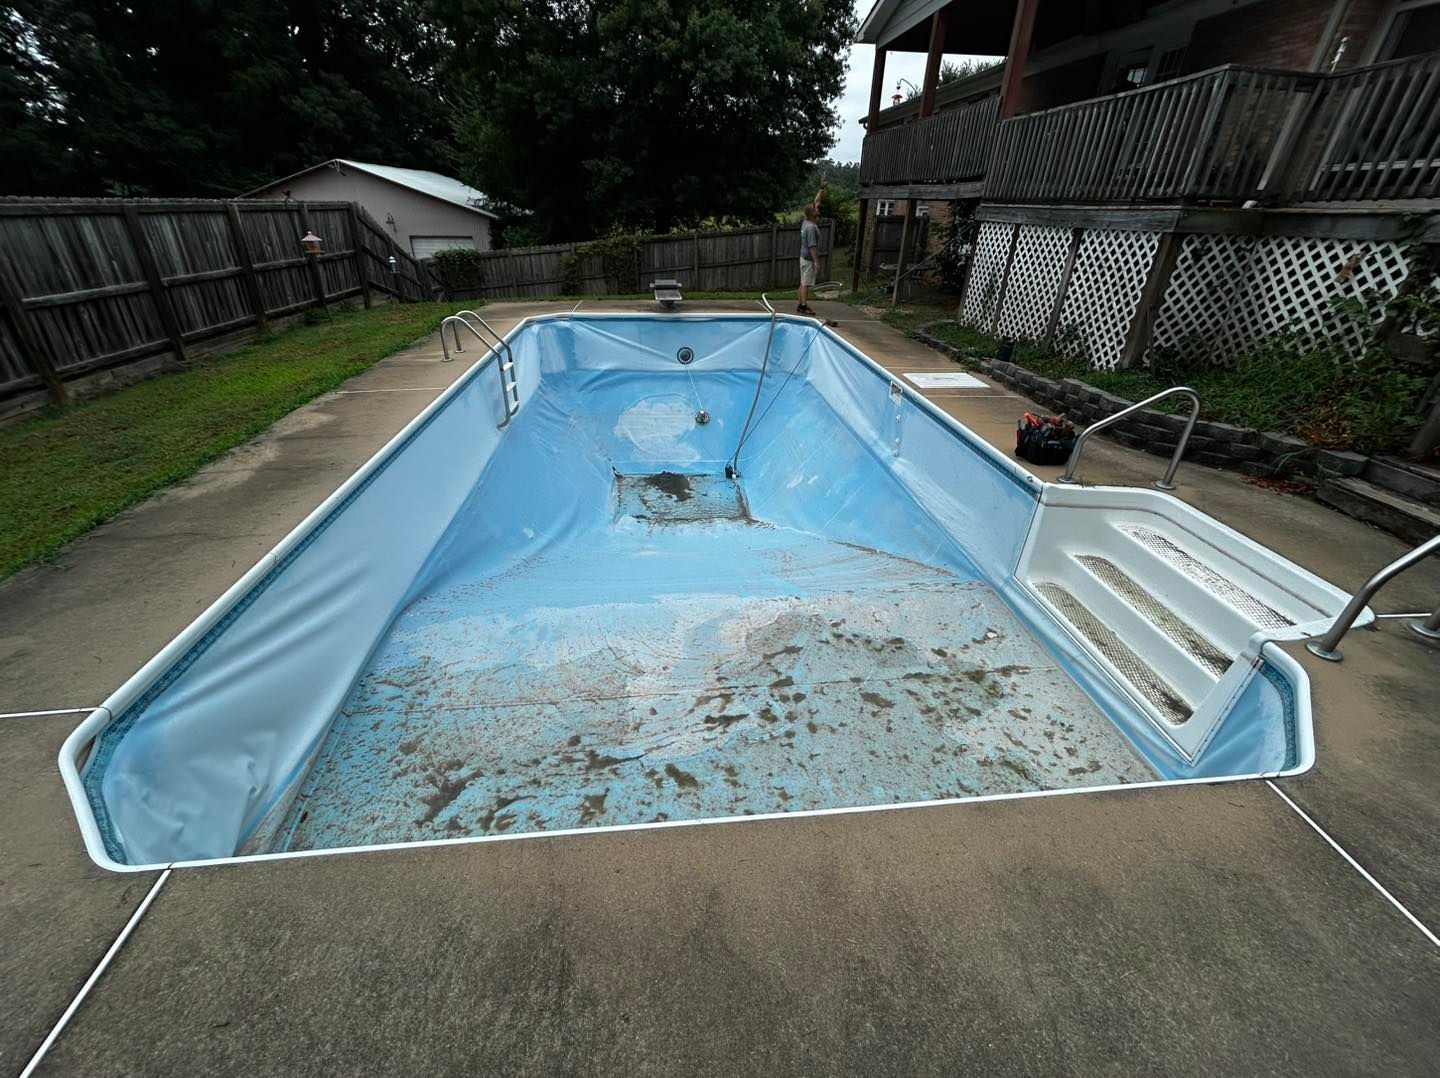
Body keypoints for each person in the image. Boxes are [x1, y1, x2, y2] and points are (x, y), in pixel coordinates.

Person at [797, 177, 826, 315]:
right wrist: (816, 262)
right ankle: (803, 306)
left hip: (803, 257)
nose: (818, 207)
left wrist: (822, 188)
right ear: (813, 213)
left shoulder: (806, 221)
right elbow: (812, 246)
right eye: (816, 208)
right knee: (805, 283)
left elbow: (816, 201)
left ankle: (800, 304)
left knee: (803, 282)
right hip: (808, 259)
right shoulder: (810, 228)